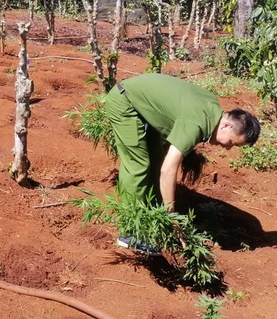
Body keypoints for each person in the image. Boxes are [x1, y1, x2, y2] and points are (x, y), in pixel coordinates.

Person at [104, 73, 261, 254]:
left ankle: (151, 214)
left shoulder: (213, 110)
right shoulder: (195, 124)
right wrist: (173, 218)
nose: (227, 148)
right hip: (125, 102)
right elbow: (168, 171)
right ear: (226, 126)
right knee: (139, 164)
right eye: (232, 143)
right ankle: (130, 233)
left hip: (142, 105)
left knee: (155, 161)